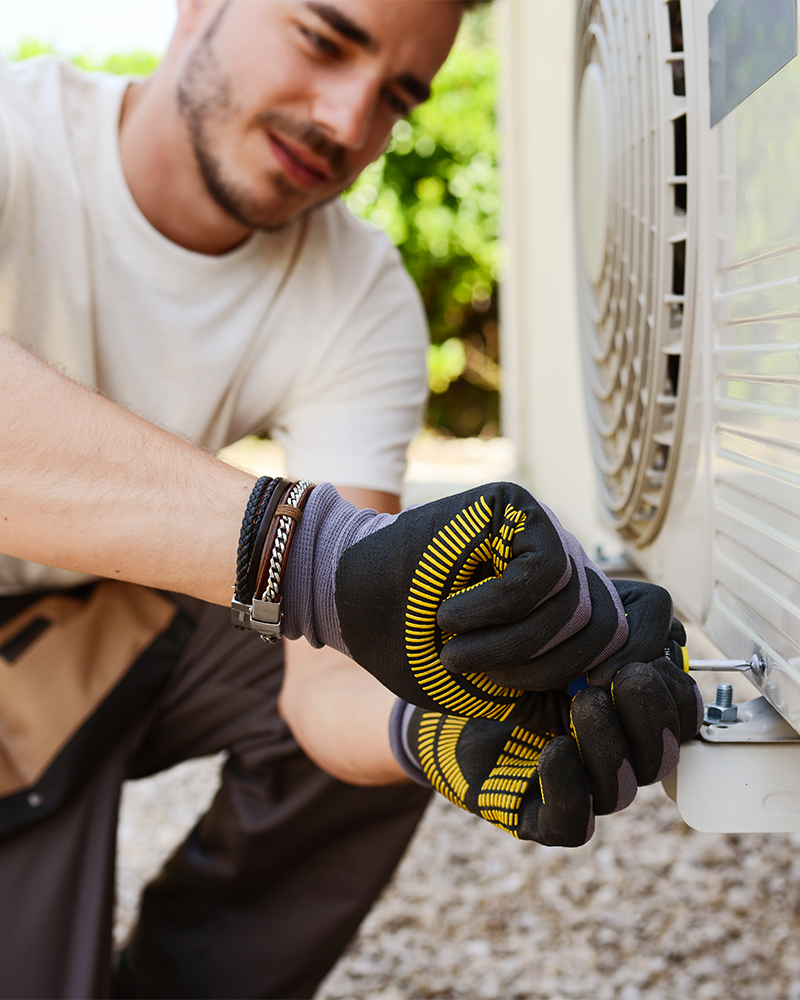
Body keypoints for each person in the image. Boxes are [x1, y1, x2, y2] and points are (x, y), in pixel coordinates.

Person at [0, 1, 701, 998]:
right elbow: (323, 572)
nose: (346, 123)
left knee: (429, 646)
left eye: (396, 99)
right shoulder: (16, 140)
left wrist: (440, 725)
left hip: (90, 629)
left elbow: (324, 671)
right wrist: (318, 556)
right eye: (323, 41)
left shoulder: (356, 294)